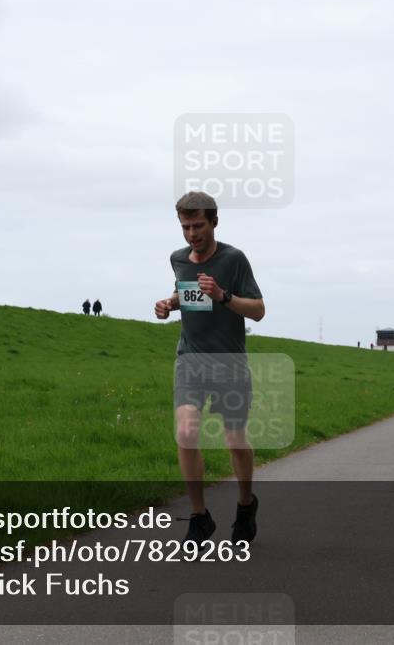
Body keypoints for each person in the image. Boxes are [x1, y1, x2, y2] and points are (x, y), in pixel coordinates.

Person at [154, 191, 265, 545]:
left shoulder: (234, 260)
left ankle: (246, 505)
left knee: (235, 440)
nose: (191, 234)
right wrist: (169, 303)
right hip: (190, 360)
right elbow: (188, 295)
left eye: (198, 225)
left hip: (229, 364)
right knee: (186, 432)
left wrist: (223, 296)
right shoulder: (178, 259)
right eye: (185, 226)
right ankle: (200, 517)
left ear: (214, 221)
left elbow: (259, 310)